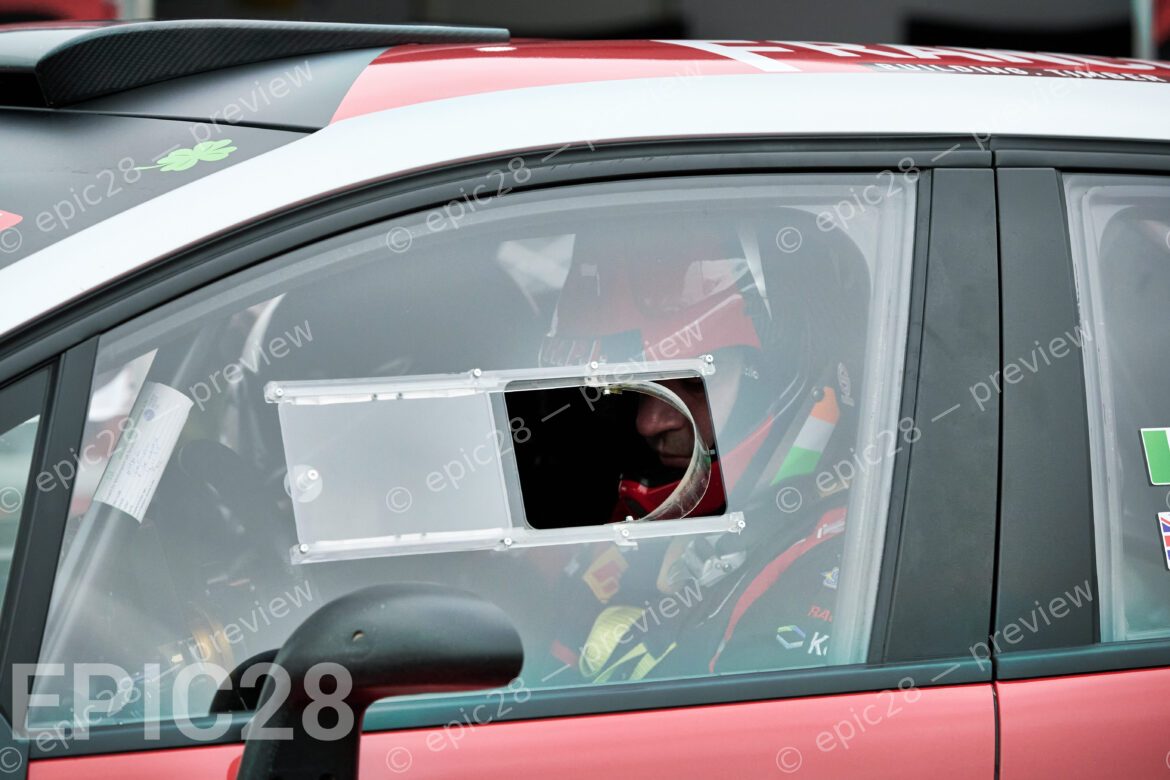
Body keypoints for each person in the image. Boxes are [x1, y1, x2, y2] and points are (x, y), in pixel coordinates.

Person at [535, 207, 872, 682]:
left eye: (684, 382)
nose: (647, 422)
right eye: (620, 388)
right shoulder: (643, 521)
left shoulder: (847, 567)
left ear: (777, 373)